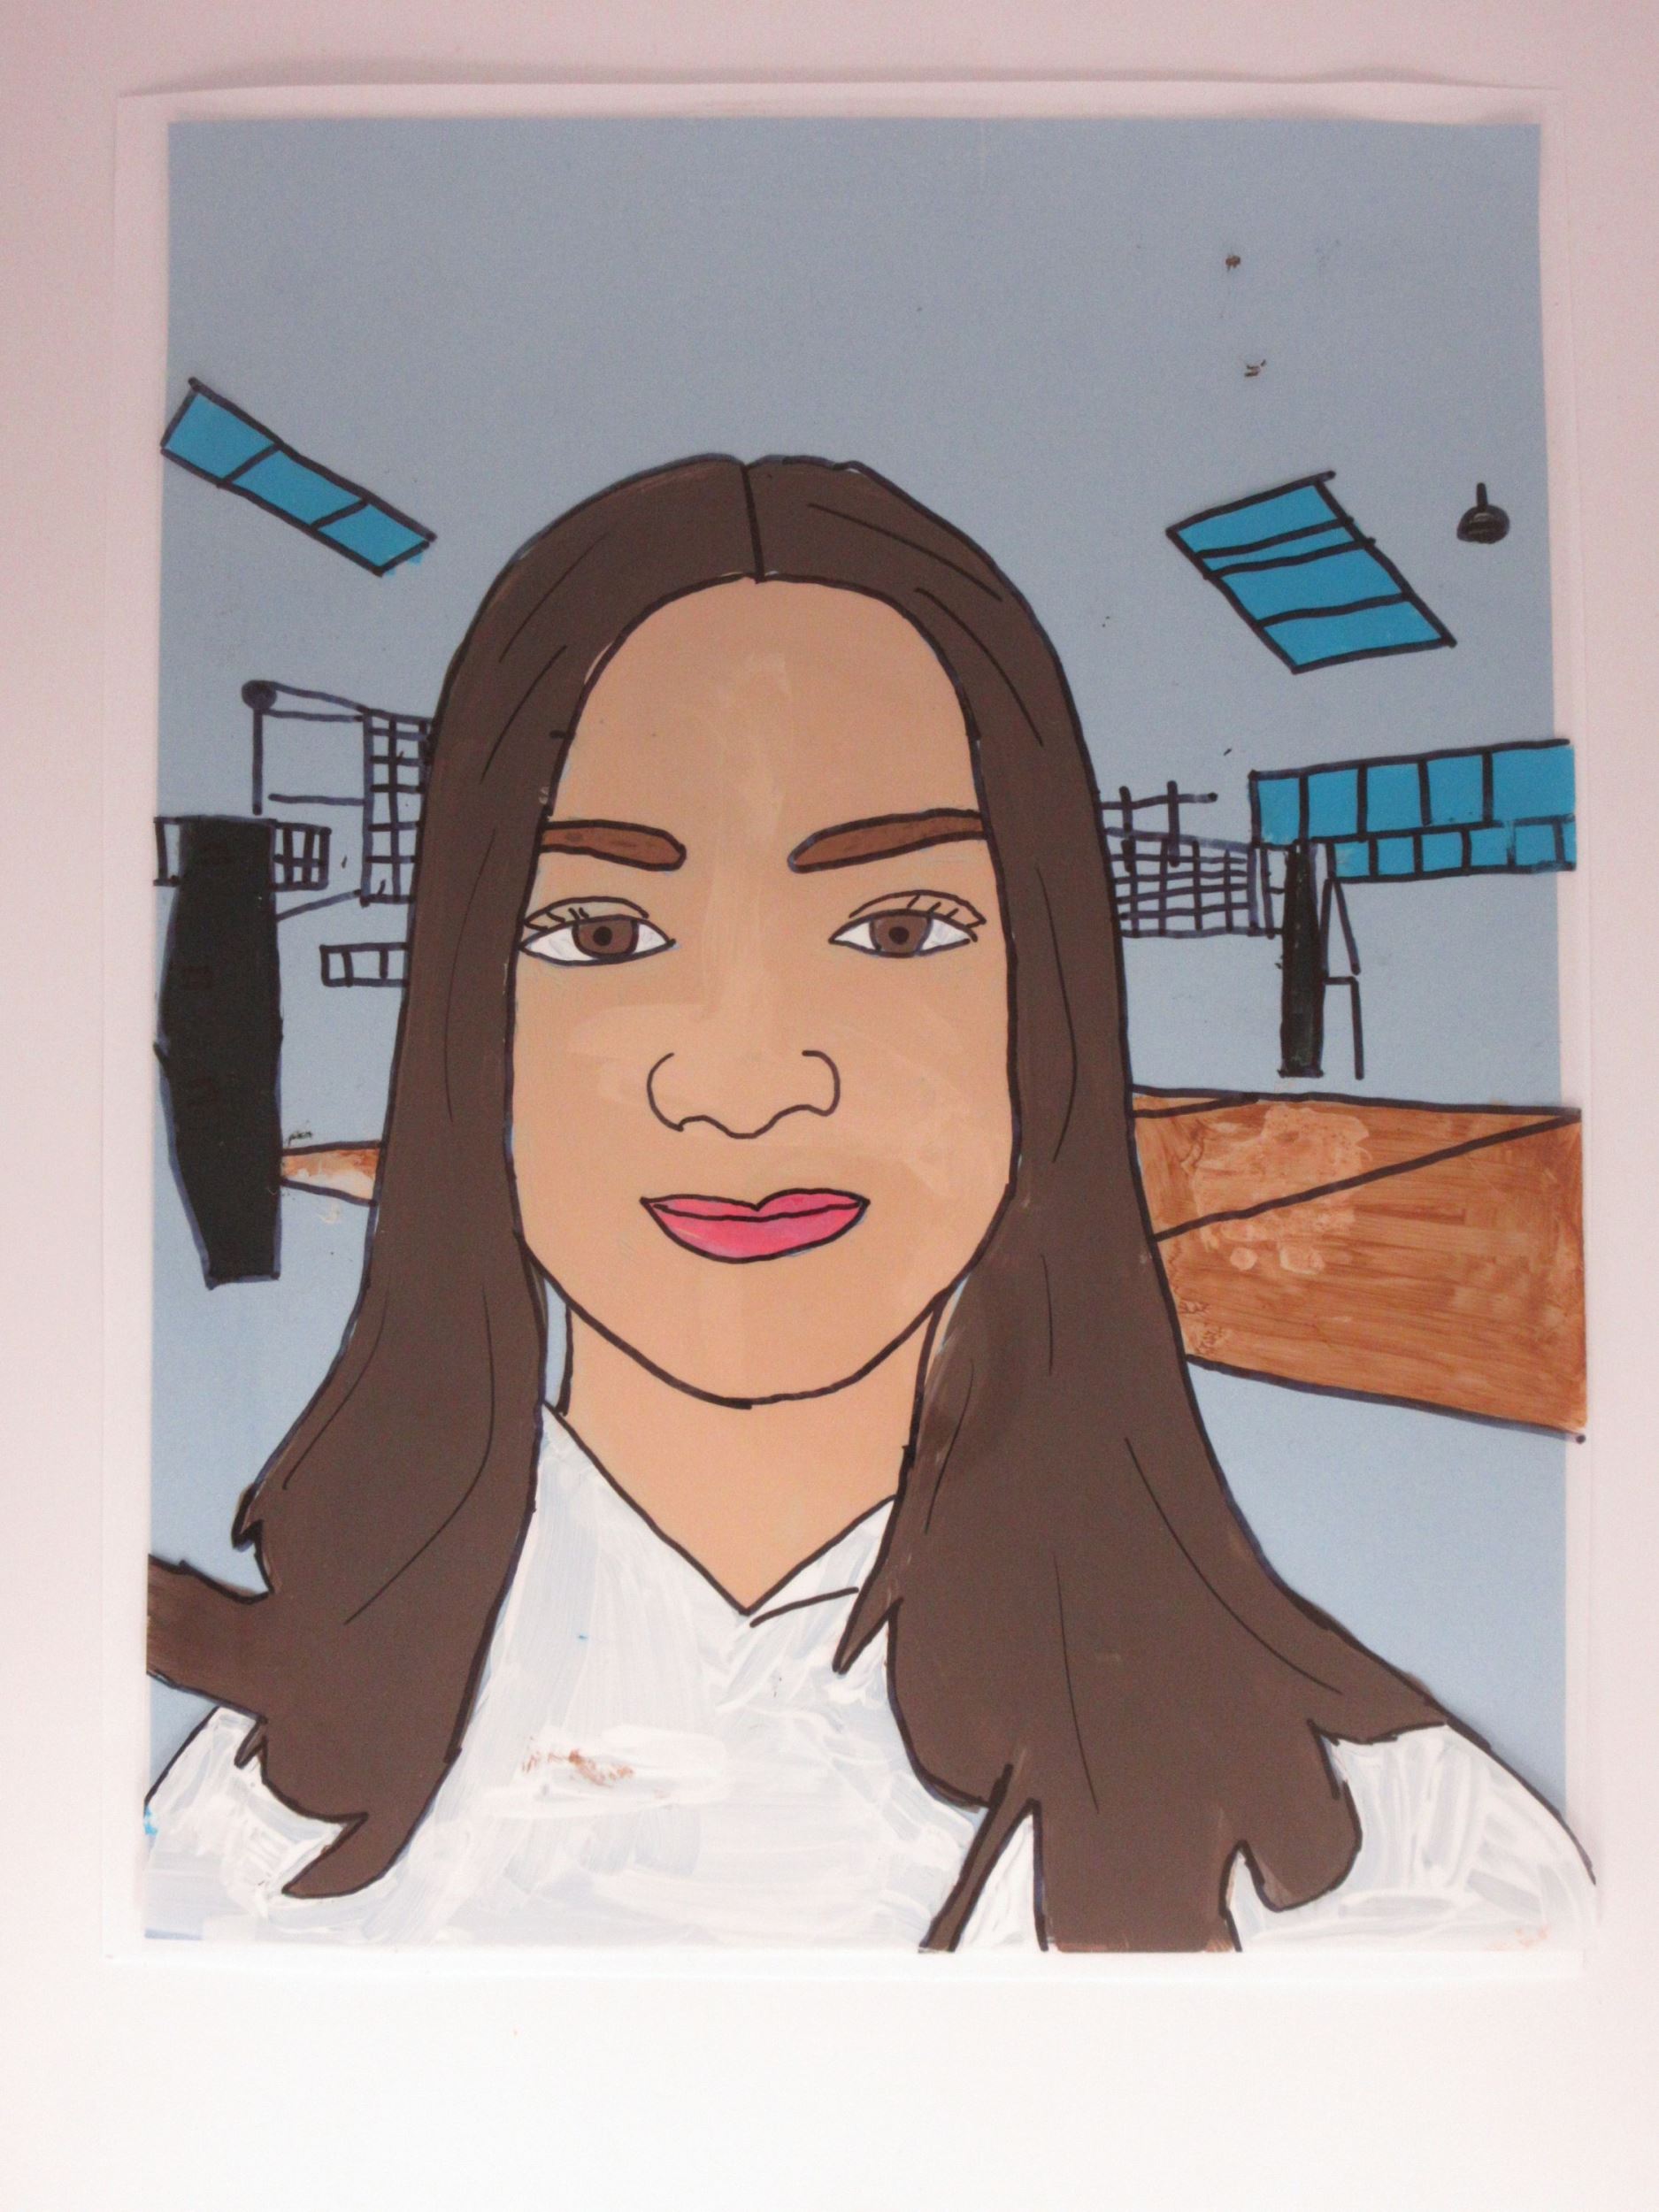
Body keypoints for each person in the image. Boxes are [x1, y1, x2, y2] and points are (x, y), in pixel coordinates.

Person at [145, 456, 1593, 1951]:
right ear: (468, 1026)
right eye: (602, 932)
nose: (747, 1081)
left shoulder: (1404, 1870)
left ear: (1046, 1008)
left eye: (900, 929)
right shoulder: (238, 1854)